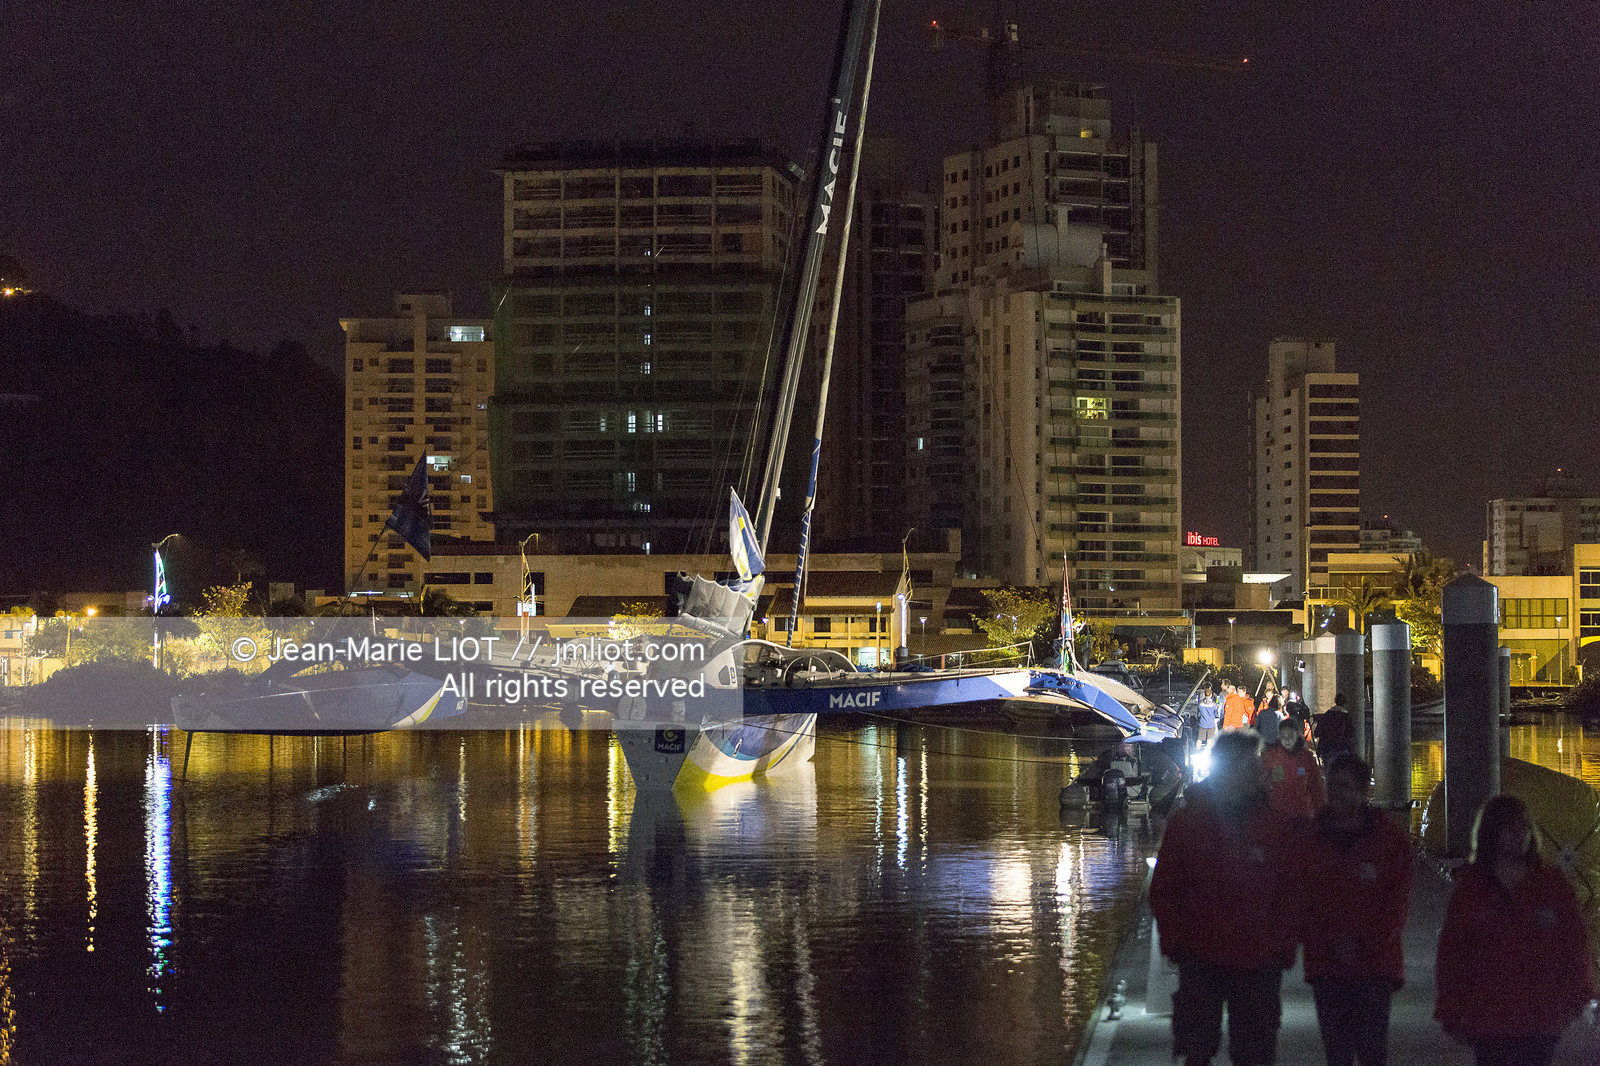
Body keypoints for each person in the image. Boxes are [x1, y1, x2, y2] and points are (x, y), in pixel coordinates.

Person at [1150, 730, 1304, 1066]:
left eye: (1253, 766)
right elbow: (1166, 888)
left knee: (1254, 1052)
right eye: (1243, 766)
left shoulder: (1275, 827)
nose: (1251, 773)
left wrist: (1282, 947)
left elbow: (1291, 892)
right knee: (1197, 1047)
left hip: (1259, 960)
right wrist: (1175, 943)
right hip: (1200, 957)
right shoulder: (1189, 823)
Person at [1435, 795, 1597, 1066]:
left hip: (1541, 1018)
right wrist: (1450, 1010)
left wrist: (1581, 996)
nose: (1518, 833)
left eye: (1523, 825)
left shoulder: (1551, 886)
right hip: (1489, 1019)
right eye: (1509, 827)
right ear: (1491, 833)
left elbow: (1574, 944)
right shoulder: (1472, 890)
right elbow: (1452, 955)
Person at [1302, 754, 1413, 1066]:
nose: (1335, 793)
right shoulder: (1311, 838)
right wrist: (1328, 940)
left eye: (1345, 787)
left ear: (1364, 792)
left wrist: (1363, 943)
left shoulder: (1391, 842)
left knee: (1371, 1051)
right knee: (1336, 1053)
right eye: (1331, 786)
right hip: (1327, 964)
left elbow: (1396, 904)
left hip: (1374, 966)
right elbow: (1302, 898)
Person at [1261, 716, 1325, 818]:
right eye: (1283, 736)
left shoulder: (1306, 758)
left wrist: (1321, 814)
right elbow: (1262, 783)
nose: (1287, 740)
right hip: (1278, 815)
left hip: (1302, 815)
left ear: (1297, 735)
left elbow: (1316, 787)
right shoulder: (1271, 756)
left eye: (1290, 736)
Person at [1313, 693, 1354, 760]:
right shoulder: (1346, 717)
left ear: (1335, 701)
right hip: (1342, 749)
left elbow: (1317, 732)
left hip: (1327, 749)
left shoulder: (1327, 715)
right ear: (1345, 703)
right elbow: (1350, 734)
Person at [1195, 682, 1222, 748]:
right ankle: (1208, 752)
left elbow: (1199, 711)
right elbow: (1216, 713)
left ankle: (1197, 750)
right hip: (1211, 724)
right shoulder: (1214, 704)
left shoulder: (1201, 704)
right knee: (1209, 739)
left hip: (1202, 723)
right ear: (1211, 695)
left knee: (1199, 739)